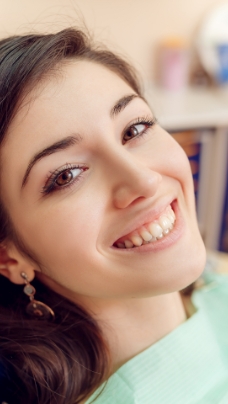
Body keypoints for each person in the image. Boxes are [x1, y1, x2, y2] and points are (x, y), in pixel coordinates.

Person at [0, 27, 227, 404]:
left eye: (135, 129)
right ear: (9, 257)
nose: (143, 180)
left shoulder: (213, 279)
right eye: (66, 175)